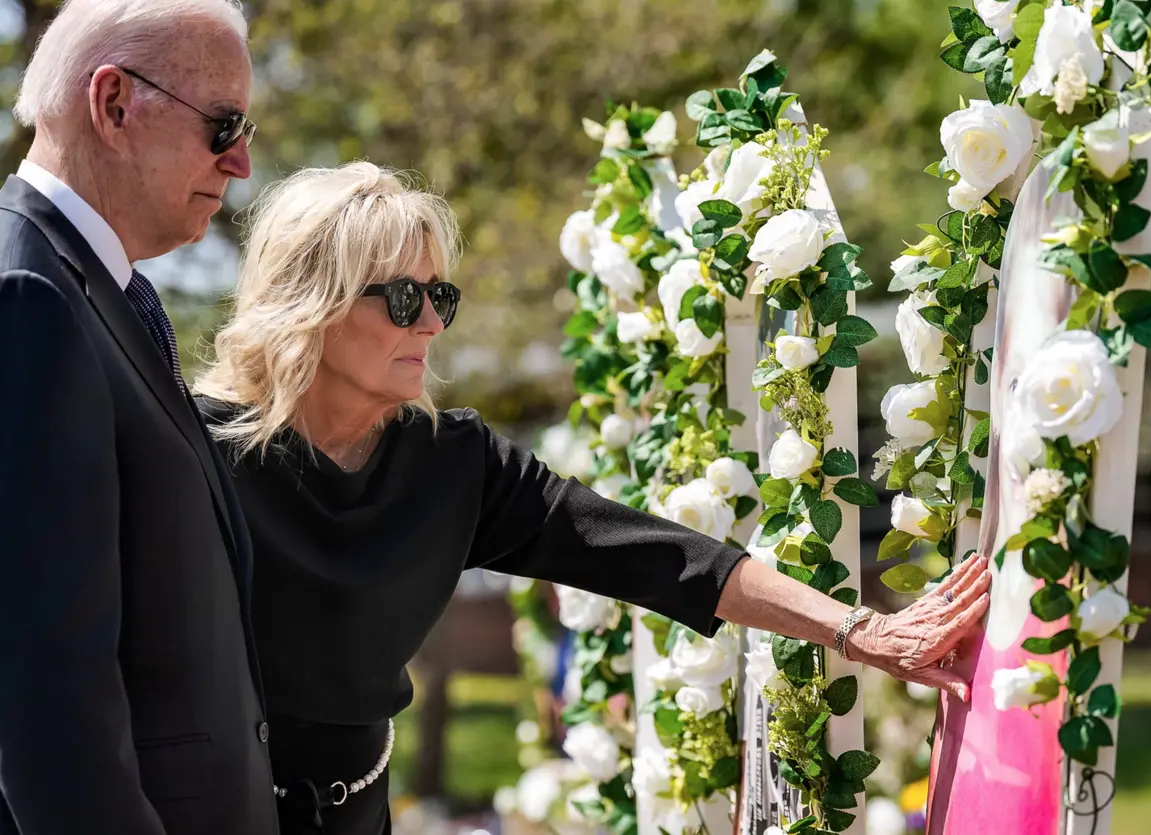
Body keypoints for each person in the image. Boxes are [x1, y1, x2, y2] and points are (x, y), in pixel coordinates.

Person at [193, 161, 991, 835]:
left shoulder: (452, 462)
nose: (433, 323)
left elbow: (657, 556)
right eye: (406, 299)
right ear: (316, 303)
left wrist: (859, 630)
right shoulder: (196, 450)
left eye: (445, 298)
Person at [0, 2, 278, 834]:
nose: (240, 162)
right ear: (114, 103)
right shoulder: (28, 297)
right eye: (223, 124)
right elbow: (45, 699)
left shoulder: (94, 289)